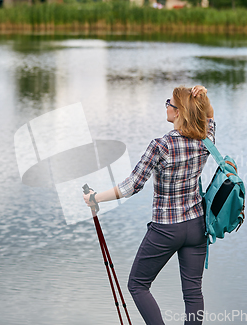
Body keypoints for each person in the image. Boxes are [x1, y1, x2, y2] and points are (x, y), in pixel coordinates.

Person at [83, 85, 215, 325]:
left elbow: (132, 185)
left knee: (138, 284)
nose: (166, 106)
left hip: (166, 229)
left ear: (179, 112)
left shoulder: (161, 145)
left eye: (170, 103)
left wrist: (95, 198)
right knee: (193, 292)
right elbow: (209, 116)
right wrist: (203, 98)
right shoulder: (206, 138)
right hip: (197, 225)